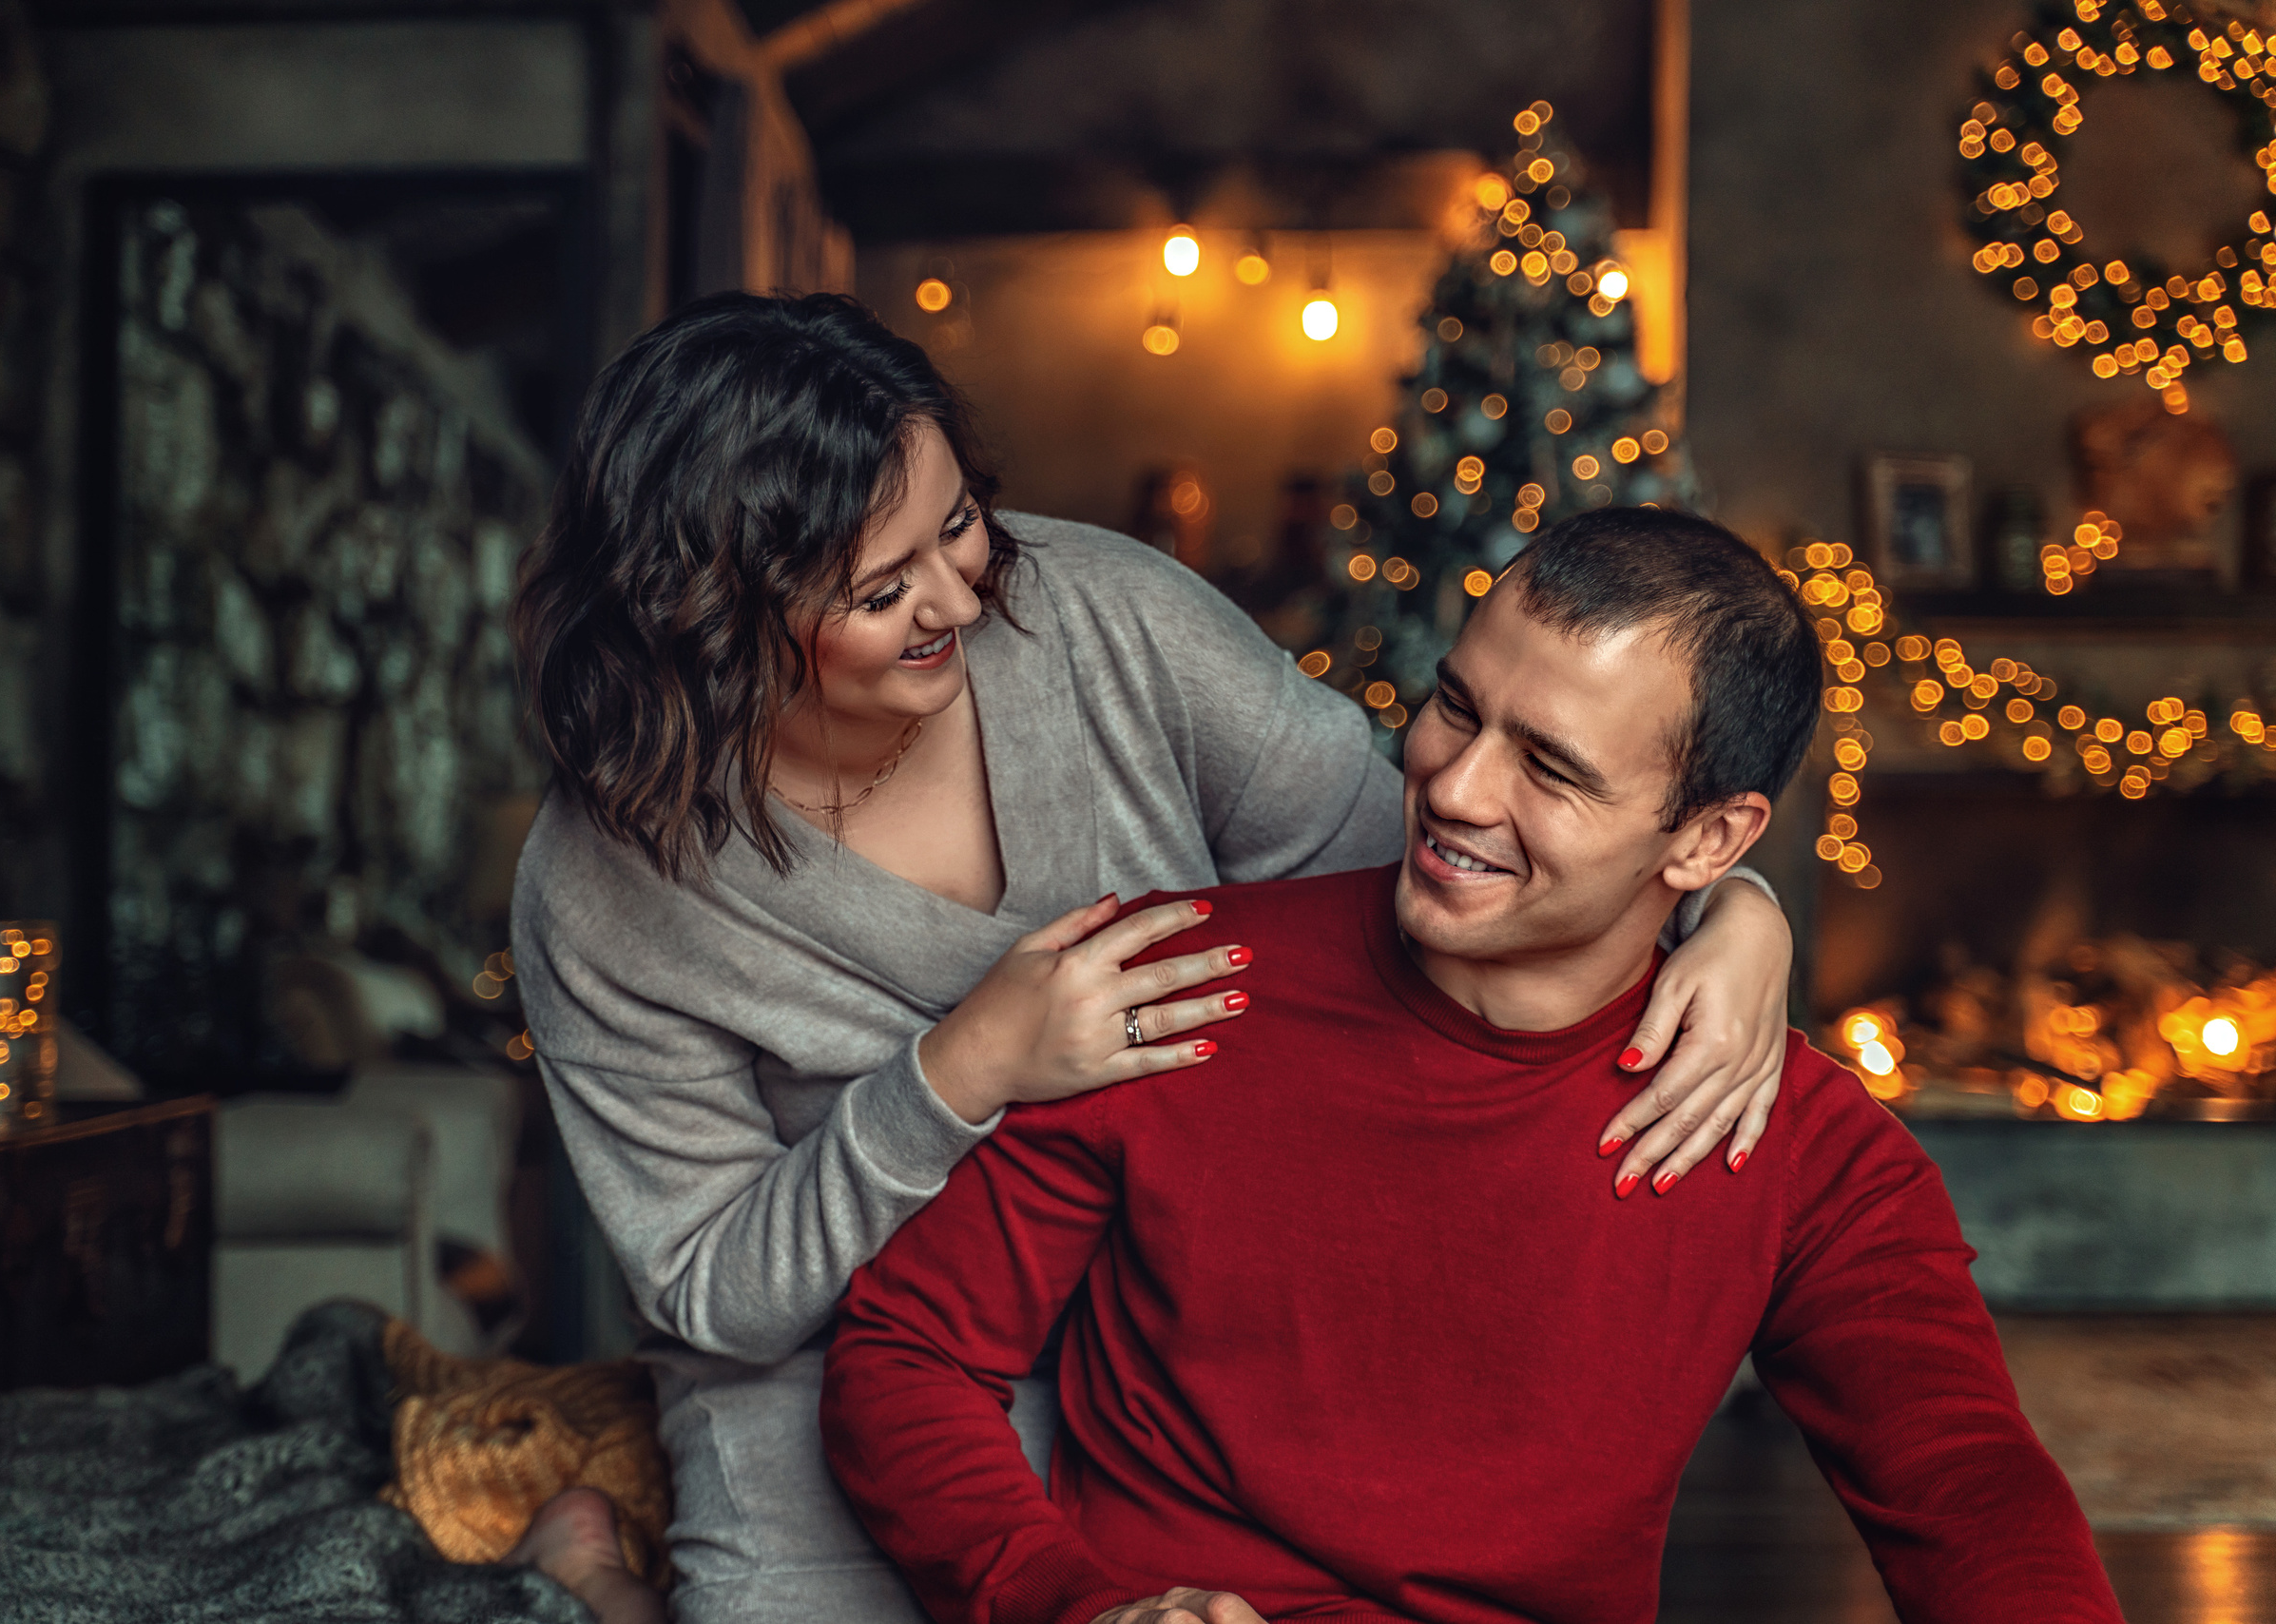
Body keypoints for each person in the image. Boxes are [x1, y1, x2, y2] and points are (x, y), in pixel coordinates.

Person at [506, 294, 1801, 1624]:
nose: (963, 597)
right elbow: (714, 1289)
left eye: (959, 524)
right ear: (708, 612)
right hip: (848, 1353)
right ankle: (594, 1587)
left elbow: (1430, 881)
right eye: (881, 590)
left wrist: (1728, 909)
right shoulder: (600, 888)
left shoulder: (1106, 618)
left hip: (1183, 1304)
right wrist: (956, 1072)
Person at [820, 508, 2124, 1624]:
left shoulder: (1806, 1148)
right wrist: (1079, 1603)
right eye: (1457, 707)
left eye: (1549, 767)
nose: (1453, 787)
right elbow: (905, 1353)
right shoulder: (1162, 986)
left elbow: (1967, 1485)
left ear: (1710, 838)